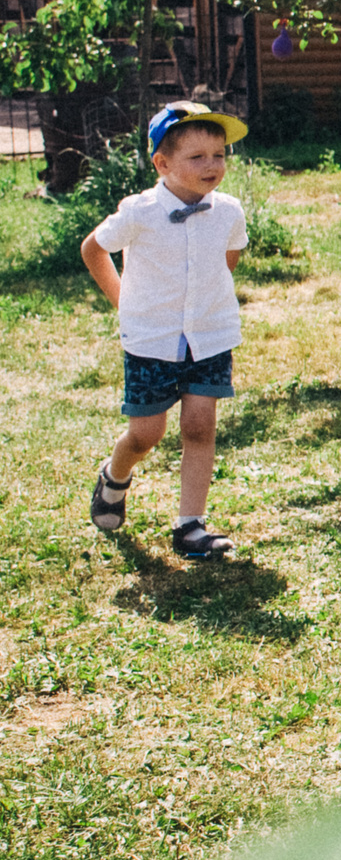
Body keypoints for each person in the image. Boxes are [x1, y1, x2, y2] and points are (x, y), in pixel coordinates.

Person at [80, 101, 251, 561]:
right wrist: (125, 305)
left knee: (199, 426)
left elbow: (226, 261)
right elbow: (94, 250)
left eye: (219, 154)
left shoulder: (229, 211)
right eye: (197, 157)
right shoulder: (140, 212)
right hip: (151, 341)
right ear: (162, 163)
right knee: (146, 434)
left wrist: (205, 306)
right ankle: (114, 477)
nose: (212, 165)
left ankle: (190, 526)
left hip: (210, 336)